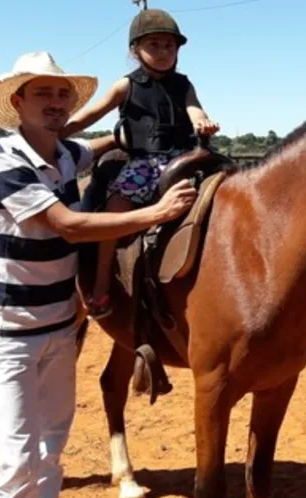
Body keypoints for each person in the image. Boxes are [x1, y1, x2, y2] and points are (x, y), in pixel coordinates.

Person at [0, 50, 197, 498]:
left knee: (52, 442)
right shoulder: (2, 160)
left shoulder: (64, 154)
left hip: (58, 320)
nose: (55, 102)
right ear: (17, 101)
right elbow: (68, 226)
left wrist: (130, 139)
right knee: (19, 457)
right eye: (43, 93)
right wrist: (155, 212)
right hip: (10, 330)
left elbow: (94, 147)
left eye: (62, 94)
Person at [60, 8, 219, 320]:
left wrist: (204, 123)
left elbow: (194, 110)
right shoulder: (126, 86)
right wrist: (58, 132)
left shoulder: (184, 84)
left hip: (186, 157)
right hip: (145, 162)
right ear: (135, 50)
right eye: (154, 45)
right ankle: (103, 279)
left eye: (169, 46)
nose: (163, 52)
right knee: (116, 207)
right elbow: (91, 114)